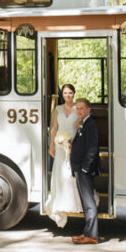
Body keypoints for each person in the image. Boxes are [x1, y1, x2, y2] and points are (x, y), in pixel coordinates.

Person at [44, 83, 82, 227]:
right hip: (59, 144)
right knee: (60, 172)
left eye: (70, 93)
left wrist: (73, 140)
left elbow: (80, 125)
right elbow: (54, 128)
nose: (68, 95)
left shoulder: (77, 109)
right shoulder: (58, 109)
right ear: (62, 95)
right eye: (65, 93)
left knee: (70, 172)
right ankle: (59, 201)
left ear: (74, 94)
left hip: (73, 142)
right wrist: (52, 145)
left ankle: (73, 201)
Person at [71, 97, 101, 244]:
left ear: (88, 110)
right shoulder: (83, 123)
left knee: (89, 202)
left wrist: (85, 168)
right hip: (79, 167)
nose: (79, 111)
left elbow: (92, 148)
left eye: (82, 108)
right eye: (77, 108)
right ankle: (87, 232)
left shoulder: (91, 125)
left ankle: (92, 235)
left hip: (84, 169)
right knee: (85, 202)